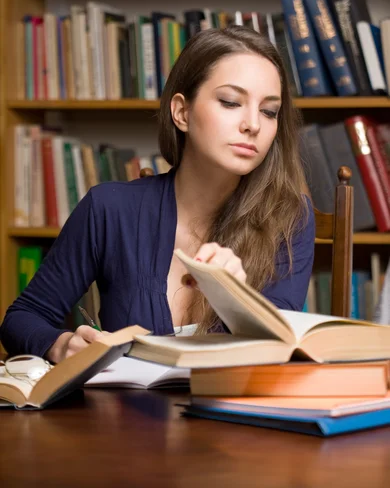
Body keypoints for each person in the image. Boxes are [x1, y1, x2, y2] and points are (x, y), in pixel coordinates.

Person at [0, 26, 315, 363]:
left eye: (269, 111)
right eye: (230, 102)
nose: (253, 124)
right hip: (124, 415)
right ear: (181, 112)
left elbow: (280, 348)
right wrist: (61, 345)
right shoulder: (108, 209)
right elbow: (21, 318)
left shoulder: (289, 217)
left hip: (233, 415)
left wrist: (235, 300)